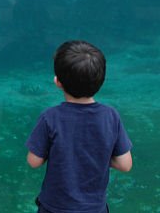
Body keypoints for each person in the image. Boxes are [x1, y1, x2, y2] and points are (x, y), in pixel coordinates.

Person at [26, 40, 132, 213]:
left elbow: (33, 161)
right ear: (102, 80)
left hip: (54, 208)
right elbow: (125, 164)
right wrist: (98, 154)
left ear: (57, 81)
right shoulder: (111, 116)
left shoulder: (50, 117)